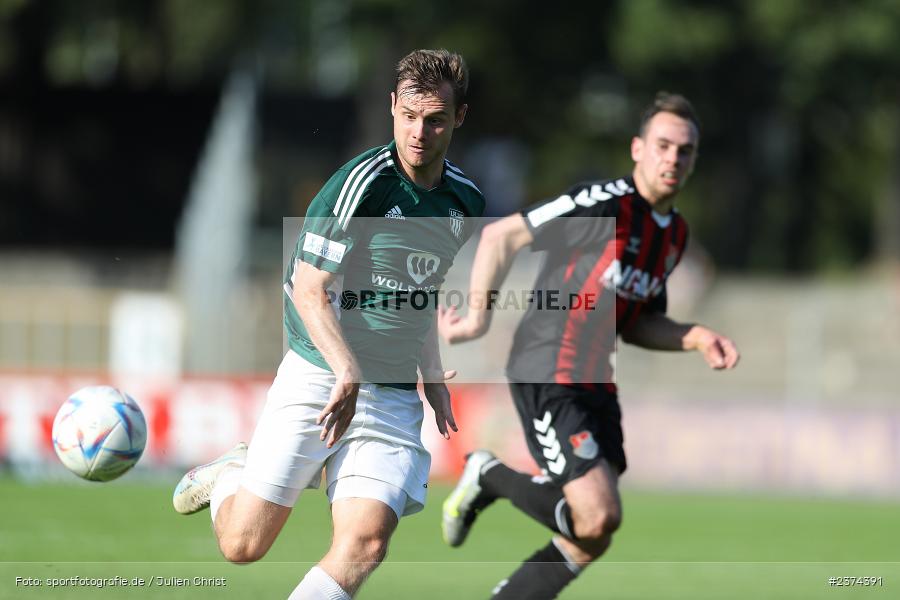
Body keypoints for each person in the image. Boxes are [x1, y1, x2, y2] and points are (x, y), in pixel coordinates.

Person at [172, 49, 484, 600]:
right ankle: (227, 479)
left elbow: (420, 289)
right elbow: (309, 288)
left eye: (434, 119)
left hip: (387, 392)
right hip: (321, 375)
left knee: (366, 543)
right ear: (392, 108)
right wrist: (345, 369)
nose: (419, 131)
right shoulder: (360, 185)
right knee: (242, 546)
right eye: (408, 116)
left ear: (458, 118)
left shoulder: (465, 199)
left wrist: (430, 371)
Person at [438, 92, 739, 599]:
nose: (673, 158)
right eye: (663, 146)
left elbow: (639, 321)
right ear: (638, 149)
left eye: (684, 151)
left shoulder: (674, 233)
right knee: (597, 513)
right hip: (547, 366)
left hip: (598, 379)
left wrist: (695, 337)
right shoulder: (603, 204)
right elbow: (502, 238)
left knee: (591, 536)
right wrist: (476, 318)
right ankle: (487, 473)